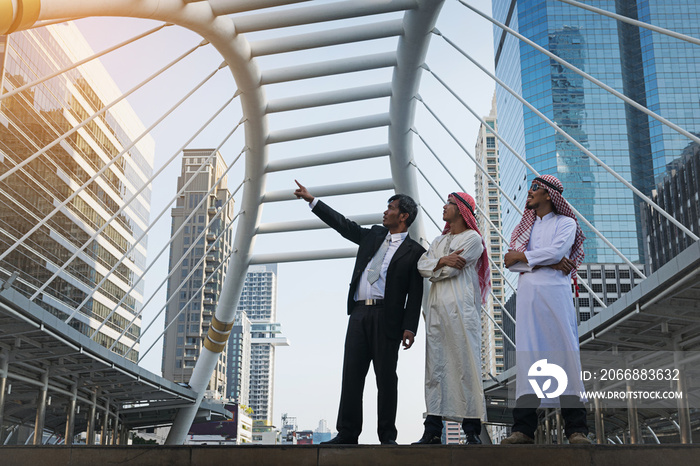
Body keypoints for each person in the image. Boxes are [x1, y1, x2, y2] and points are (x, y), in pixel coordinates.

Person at [293, 180, 425, 445]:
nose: (385, 211)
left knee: (386, 380)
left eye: (391, 208)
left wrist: (409, 327)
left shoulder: (415, 251)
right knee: (352, 374)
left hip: (387, 319)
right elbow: (343, 225)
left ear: (404, 216)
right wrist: (312, 200)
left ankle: (387, 436)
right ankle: (348, 433)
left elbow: (415, 295)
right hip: (359, 316)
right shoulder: (373, 235)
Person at [501, 174, 591, 445]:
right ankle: (523, 430)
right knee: (529, 359)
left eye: (535, 189)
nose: (529, 193)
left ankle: (577, 429)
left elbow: (558, 251)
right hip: (528, 299)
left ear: (549, 195)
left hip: (555, 297)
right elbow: (509, 260)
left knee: (564, 355)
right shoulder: (523, 229)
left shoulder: (567, 223)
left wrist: (531, 258)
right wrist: (549, 262)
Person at [412, 192, 491, 446]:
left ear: (461, 209)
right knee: (434, 369)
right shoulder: (438, 240)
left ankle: (471, 431)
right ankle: (433, 429)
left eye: (449, 204)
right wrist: (441, 261)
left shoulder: (473, 239)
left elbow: (446, 269)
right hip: (436, 312)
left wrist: (437, 265)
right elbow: (421, 267)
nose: (444, 207)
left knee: (466, 367)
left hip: (462, 312)